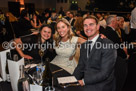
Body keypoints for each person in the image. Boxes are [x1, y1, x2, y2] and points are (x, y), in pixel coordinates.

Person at [73, 15, 117, 91]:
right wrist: (71, 80)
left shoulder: (107, 44)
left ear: (98, 27)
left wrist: (84, 81)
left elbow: (104, 73)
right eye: (85, 25)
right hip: (88, 81)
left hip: (102, 85)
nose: (88, 28)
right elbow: (80, 67)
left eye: (91, 25)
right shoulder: (84, 46)